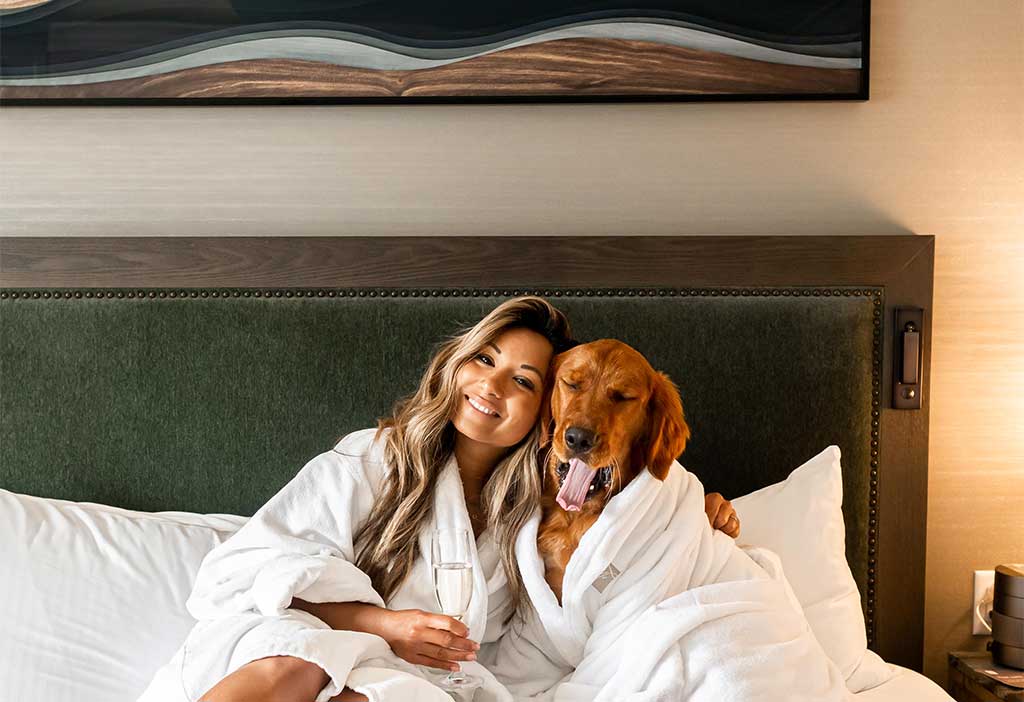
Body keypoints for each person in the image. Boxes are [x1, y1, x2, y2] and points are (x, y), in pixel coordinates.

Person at [139, 296, 739, 702]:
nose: (492, 385)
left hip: (415, 683)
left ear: (544, 410)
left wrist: (697, 510)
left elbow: (622, 531)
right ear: (456, 365)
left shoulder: (536, 508)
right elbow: (238, 575)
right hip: (289, 647)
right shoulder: (373, 459)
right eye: (484, 359)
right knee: (299, 661)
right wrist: (382, 625)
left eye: (523, 380)